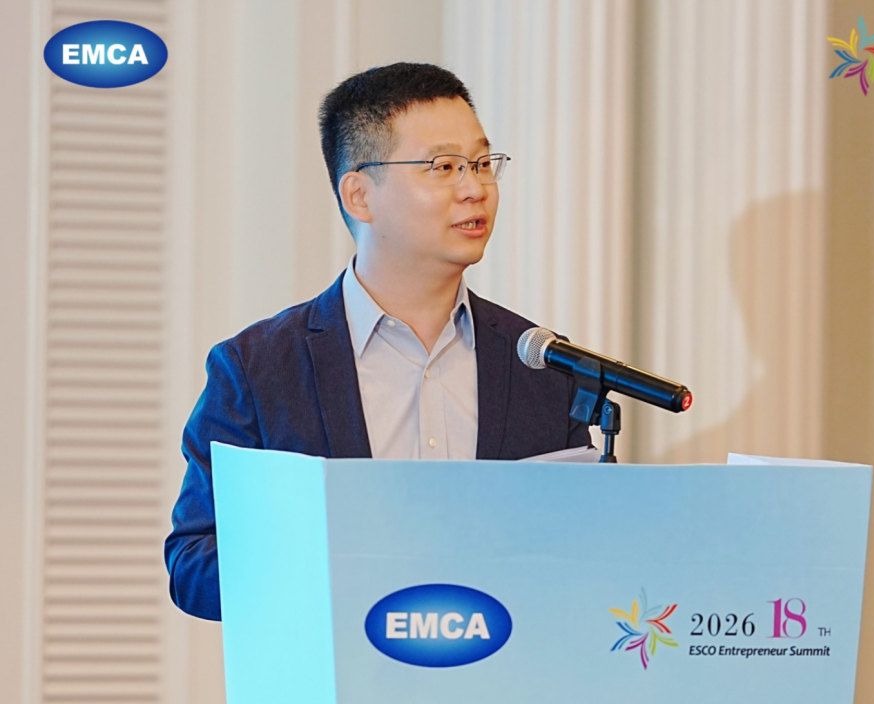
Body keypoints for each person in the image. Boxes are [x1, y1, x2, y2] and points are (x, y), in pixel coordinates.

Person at [165, 63, 592, 621]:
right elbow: (194, 565)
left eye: (482, 164)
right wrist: (344, 565)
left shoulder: (542, 365)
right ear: (360, 195)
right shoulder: (258, 368)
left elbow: (586, 555)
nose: (475, 189)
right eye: (444, 167)